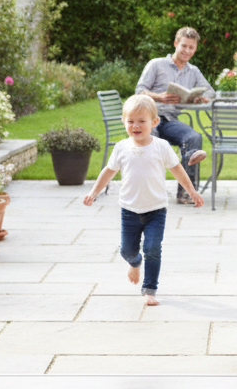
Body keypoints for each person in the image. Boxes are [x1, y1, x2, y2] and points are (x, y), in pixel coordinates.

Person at [84, 93, 204, 305]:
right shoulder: (121, 148)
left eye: (141, 121)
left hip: (156, 210)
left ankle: (150, 289)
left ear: (154, 122)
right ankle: (135, 262)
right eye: (131, 121)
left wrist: (192, 191)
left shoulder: (161, 147)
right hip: (129, 210)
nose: (136, 126)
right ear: (124, 122)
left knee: (152, 248)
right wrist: (94, 192)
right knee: (127, 250)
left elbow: (178, 170)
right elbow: (108, 172)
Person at [135, 26, 213, 204]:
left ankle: (186, 193)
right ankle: (147, 193)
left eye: (191, 48)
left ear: (195, 49)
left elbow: (210, 92)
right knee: (149, 143)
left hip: (170, 121)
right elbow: (139, 91)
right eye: (184, 46)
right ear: (176, 44)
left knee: (193, 137)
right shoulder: (156, 64)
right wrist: (159, 97)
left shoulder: (193, 72)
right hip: (148, 118)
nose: (187, 51)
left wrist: (200, 98)